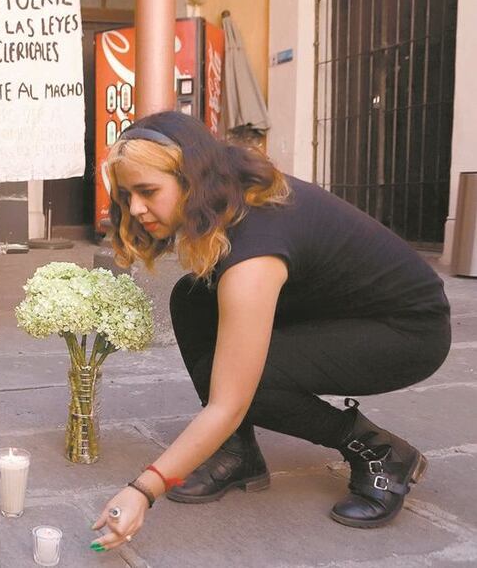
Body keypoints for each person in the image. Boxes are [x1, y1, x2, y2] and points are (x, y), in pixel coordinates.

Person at [91, 111, 451, 551]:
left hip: (406, 332)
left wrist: (143, 489)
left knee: (250, 383)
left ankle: (380, 452)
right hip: (335, 308)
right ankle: (238, 454)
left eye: (148, 192)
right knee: (192, 298)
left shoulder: (253, 250)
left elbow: (228, 401)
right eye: (127, 196)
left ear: (192, 178)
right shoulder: (230, 188)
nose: (137, 209)